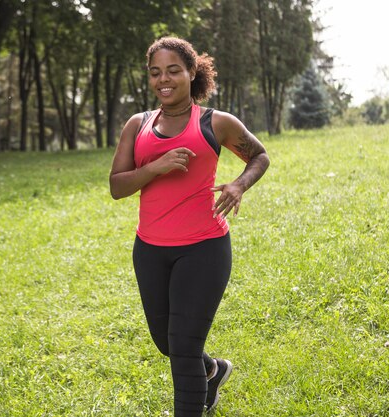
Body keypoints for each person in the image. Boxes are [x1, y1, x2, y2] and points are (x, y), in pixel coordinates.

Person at [109, 36, 270, 416]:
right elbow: (117, 186)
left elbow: (259, 156)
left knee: (182, 348)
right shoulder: (139, 124)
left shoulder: (216, 123)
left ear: (191, 72)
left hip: (203, 249)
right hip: (149, 249)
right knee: (167, 342)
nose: (164, 79)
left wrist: (238, 184)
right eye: (155, 73)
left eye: (173, 70)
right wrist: (155, 167)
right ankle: (212, 372)